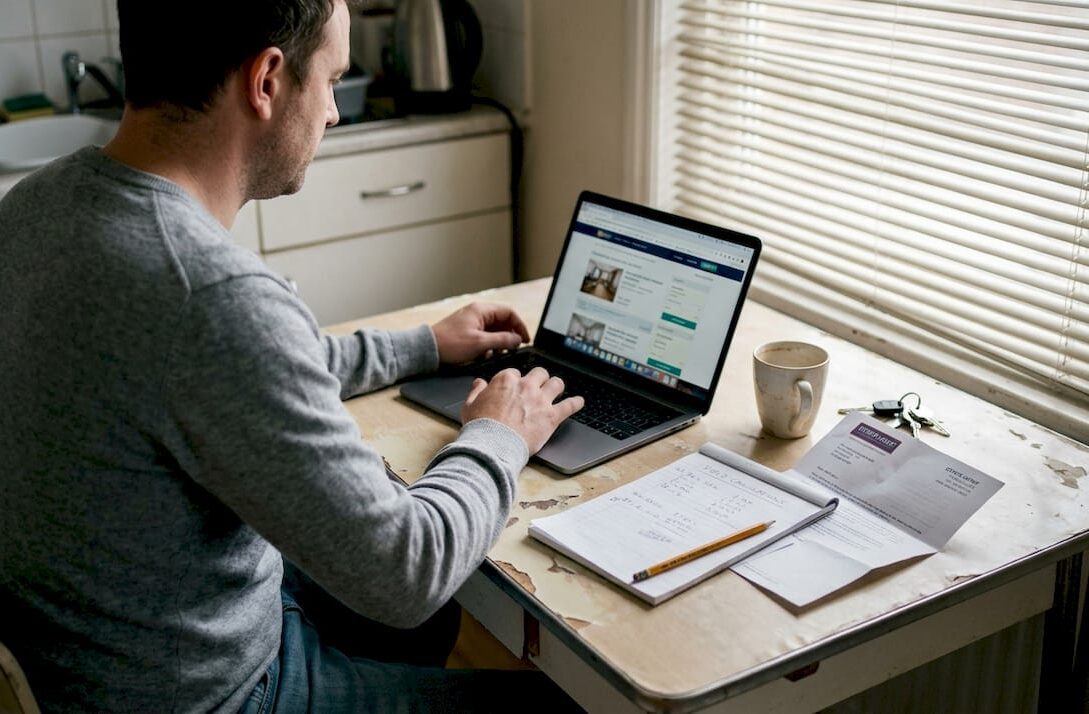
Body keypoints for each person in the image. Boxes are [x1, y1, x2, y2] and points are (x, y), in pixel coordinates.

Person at [0, 0, 584, 711]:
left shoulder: (38, 204)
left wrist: (423, 344)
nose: (334, 113)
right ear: (267, 80)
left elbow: (218, 373)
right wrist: (501, 432)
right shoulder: (207, 293)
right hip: (201, 693)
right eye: (332, 80)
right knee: (554, 700)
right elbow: (410, 569)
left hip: (86, 652)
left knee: (428, 624)